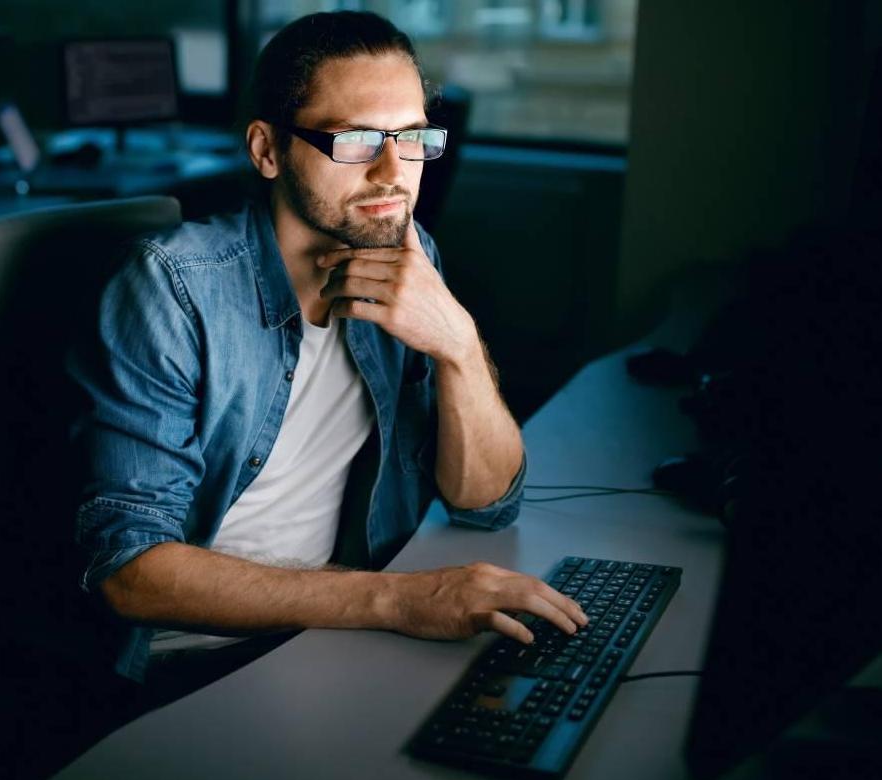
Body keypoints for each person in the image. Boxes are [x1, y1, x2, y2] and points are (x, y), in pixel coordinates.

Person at [67, 11, 587, 705]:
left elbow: (487, 503)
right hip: (200, 665)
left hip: (341, 627)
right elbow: (127, 571)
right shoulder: (173, 288)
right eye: (354, 141)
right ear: (268, 150)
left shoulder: (406, 253)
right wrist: (398, 601)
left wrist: (459, 345)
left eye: (412, 139)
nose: (392, 173)